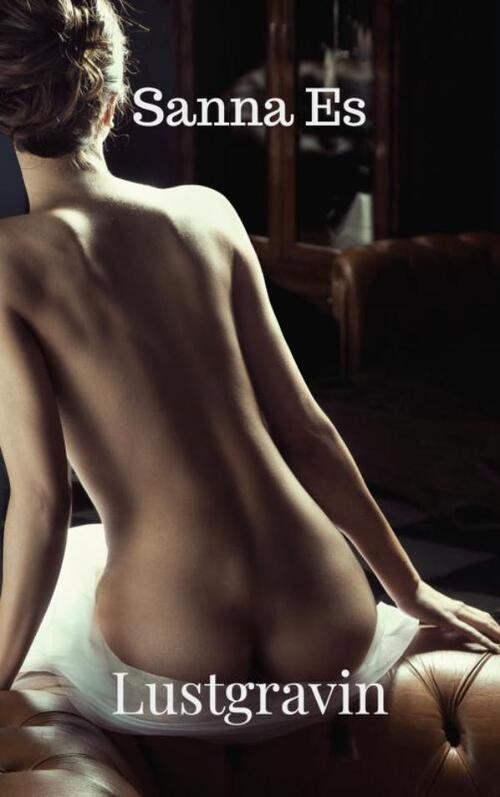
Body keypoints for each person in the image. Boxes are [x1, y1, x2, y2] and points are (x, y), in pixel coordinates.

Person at [0, 0, 498, 741]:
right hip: (326, 611)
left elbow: (43, 502)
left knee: (75, 560)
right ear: (113, 100)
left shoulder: (8, 263)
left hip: (180, 632)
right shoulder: (208, 213)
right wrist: (412, 588)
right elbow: (307, 431)